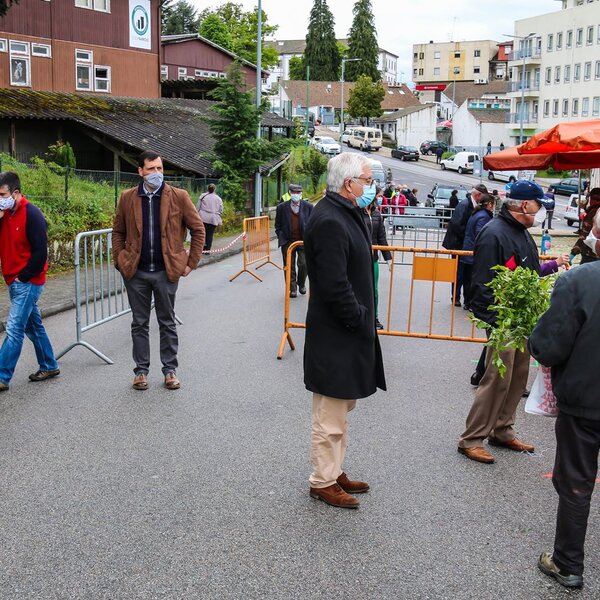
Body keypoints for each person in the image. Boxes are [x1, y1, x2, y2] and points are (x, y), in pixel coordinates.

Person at [457, 180, 568, 464]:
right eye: (539, 205)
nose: (541, 211)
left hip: (521, 321)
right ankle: (471, 438)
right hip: (503, 321)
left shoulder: (520, 232)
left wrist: (551, 266)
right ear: (523, 205)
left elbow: (527, 274)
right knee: (495, 380)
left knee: (517, 378)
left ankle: (502, 429)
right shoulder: (494, 234)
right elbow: (480, 285)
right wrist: (495, 322)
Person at [304, 152, 386, 509]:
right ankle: (322, 480)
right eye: (367, 180)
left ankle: (334, 470)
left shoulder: (344, 212)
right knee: (330, 413)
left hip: (346, 332)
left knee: (341, 407)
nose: (371, 187)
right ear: (349, 183)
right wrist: (358, 317)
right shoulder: (329, 220)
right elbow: (334, 285)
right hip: (336, 334)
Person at [529, 213, 600, 589]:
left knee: (576, 481)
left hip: (585, 402)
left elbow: (548, 346)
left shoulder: (577, 281)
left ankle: (568, 563)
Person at [112, 151, 205, 391]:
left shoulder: (179, 196)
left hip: (166, 272)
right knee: (139, 323)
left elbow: (198, 230)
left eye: (160, 169)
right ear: (140, 171)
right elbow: (118, 232)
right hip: (137, 273)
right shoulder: (127, 198)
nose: (156, 174)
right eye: (151, 169)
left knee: (167, 321)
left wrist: (189, 263)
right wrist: (120, 261)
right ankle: (141, 371)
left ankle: (169, 370)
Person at [0, 171, 60, 392]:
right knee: (33, 327)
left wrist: (22, 277)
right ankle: (50, 365)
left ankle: (2, 376)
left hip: (28, 281)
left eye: (2, 194)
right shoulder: (5, 214)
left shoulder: (32, 214)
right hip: (13, 280)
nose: (0, 198)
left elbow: (40, 254)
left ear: (15, 193)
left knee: (14, 327)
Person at [443, 183, 488, 307]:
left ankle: (467, 299)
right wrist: (469, 236)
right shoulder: (464, 204)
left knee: (467, 274)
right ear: (478, 195)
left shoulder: (473, 205)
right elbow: (457, 225)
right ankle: (456, 297)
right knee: (458, 273)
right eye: (483, 197)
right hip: (458, 245)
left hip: (465, 245)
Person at [274, 183, 313, 298]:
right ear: (290, 193)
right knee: (288, 266)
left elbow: (313, 223)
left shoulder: (308, 207)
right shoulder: (282, 207)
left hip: (303, 241)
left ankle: (301, 284)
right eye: (294, 192)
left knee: (304, 264)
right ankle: (292, 288)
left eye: (298, 193)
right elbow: (278, 225)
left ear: (301, 194)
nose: (296, 195)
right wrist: (280, 235)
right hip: (287, 240)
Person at [362, 187, 392, 330]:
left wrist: (388, 258)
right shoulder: (357, 212)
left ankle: (374, 317)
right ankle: (360, 316)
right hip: (359, 258)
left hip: (373, 259)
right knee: (359, 287)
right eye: (379, 196)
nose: (381, 198)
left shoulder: (377, 215)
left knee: (374, 290)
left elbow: (382, 238)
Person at [460, 193, 495, 311]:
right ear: (489, 204)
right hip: (474, 253)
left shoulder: (476, 214)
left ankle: (467, 302)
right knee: (473, 280)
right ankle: (471, 304)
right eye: (493, 204)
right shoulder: (484, 216)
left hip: (468, 251)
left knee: (468, 279)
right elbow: (480, 235)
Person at [571, 187, 600, 264]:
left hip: (590, 254)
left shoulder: (593, 212)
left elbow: (584, 235)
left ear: (592, 199)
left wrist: (573, 253)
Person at [196, 183, 223, 252]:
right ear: (215, 189)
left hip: (203, 217)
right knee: (210, 234)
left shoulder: (203, 196)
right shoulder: (218, 198)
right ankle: (208, 250)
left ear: (207, 189)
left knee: (203, 233)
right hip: (213, 219)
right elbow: (221, 209)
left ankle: (203, 249)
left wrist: (196, 214)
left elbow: (198, 207)